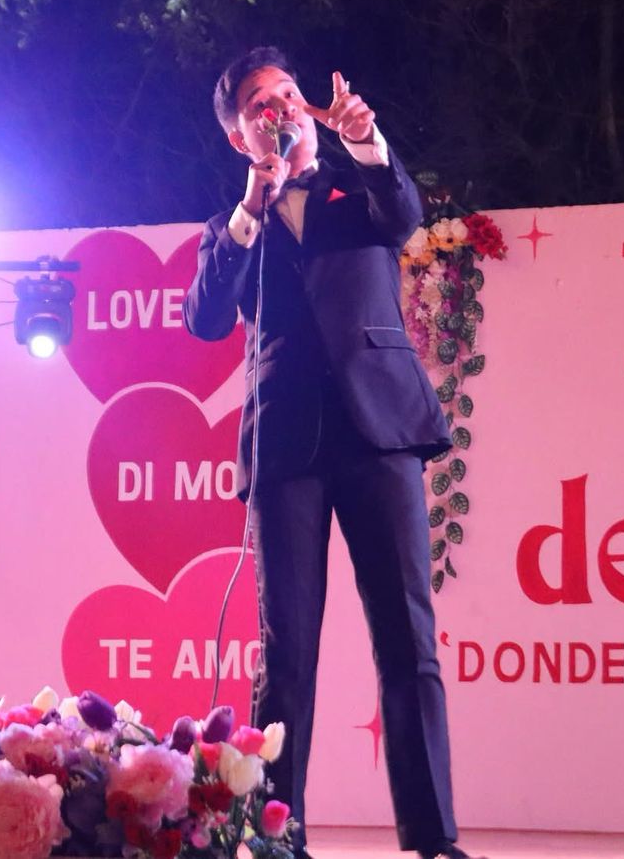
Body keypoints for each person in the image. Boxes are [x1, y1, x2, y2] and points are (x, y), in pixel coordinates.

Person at [183, 47, 483, 859]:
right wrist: (254, 204)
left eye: (287, 92)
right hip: (287, 444)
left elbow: (405, 217)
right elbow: (205, 318)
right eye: (258, 103)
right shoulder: (233, 227)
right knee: (287, 652)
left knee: (408, 638)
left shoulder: (359, 192)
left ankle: (433, 836)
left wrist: (367, 142)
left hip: (380, 429)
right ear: (241, 136)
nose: (278, 106)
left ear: (309, 108)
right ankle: (278, 835)